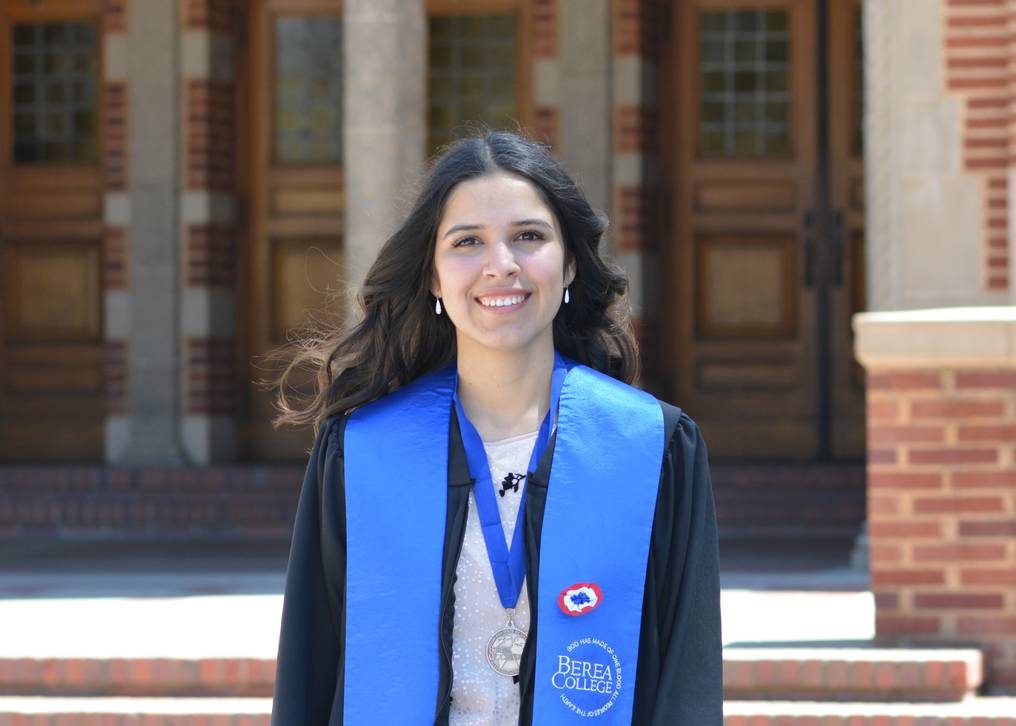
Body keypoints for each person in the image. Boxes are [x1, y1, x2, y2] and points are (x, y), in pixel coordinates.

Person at [268, 130, 722, 726]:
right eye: (467, 242)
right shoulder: (364, 451)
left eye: (528, 237)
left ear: (570, 266)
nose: (499, 265)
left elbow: (685, 686)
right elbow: (309, 672)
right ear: (432, 276)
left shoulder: (647, 449)